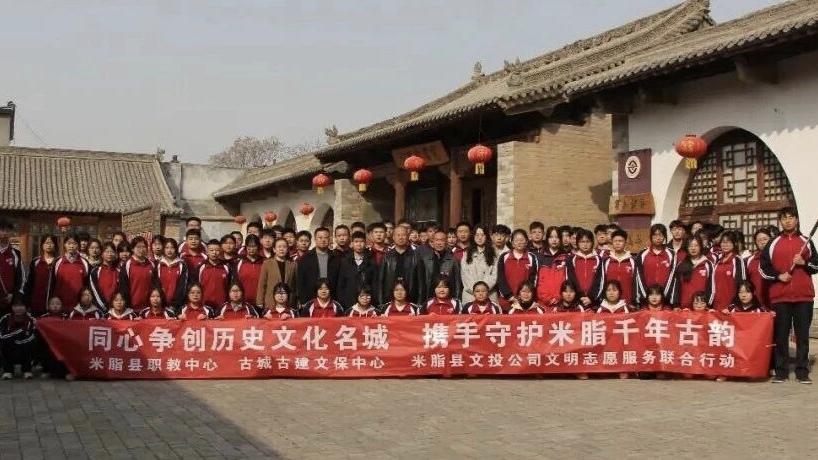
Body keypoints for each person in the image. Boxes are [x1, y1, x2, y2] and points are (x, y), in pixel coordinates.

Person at [760, 206, 818, 384]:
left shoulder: (806, 241)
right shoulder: (773, 243)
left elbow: (816, 265)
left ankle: (802, 371)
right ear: (780, 221)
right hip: (781, 297)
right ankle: (781, 372)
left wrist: (803, 263)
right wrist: (779, 276)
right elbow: (763, 268)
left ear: (796, 220)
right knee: (781, 336)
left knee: (802, 336)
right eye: (784, 218)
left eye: (791, 217)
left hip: (803, 297)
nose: (787, 221)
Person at [378, 226, 425, 305]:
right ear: (393, 237)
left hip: (411, 300)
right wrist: (381, 303)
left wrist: (419, 303)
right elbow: (381, 281)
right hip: (390, 300)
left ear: (408, 237)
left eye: (403, 235)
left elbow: (421, 282)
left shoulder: (416, 257)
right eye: (398, 235)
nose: (401, 237)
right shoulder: (387, 256)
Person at [669, 234, 714, 310]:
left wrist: (708, 305)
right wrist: (676, 305)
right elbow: (676, 287)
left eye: (696, 245)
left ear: (701, 247)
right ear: (687, 248)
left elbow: (711, 287)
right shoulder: (681, 265)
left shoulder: (708, 264)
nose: (693, 248)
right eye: (690, 246)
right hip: (684, 309)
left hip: (701, 308)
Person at [497, 229, 539, 312]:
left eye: (522, 240)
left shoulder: (532, 257)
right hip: (506, 301)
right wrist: (509, 296)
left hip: (525, 301)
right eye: (516, 240)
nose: (519, 242)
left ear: (526, 242)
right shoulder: (504, 256)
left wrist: (525, 295)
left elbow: (533, 279)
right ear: (512, 242)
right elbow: (500, 278)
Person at [297, 227, 340, 305]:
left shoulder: (335, 258)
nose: (323, 240)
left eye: (326, 237)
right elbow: (301, 281)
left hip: (332, 299)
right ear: (315, 239)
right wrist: (303, 300)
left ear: (329, 239)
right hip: (311, 299)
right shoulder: (306, 258)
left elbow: (339, 281)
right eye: (320, 237)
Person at [48, 233, 90, 313]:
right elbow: (51, 285)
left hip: (79, 308)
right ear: (64, 245)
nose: (71, 246)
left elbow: (87, 285)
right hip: (59, 307)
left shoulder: (84, 262)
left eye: (74, 243)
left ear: (78, 245)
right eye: (69, 243)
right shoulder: (57, 262)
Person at [601, 230, 645, 307]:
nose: (618, 243)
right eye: (615, 241)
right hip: (609, 304)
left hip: (628, 303)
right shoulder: (606, 261)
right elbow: (602, 282)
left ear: (625, 242)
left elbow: (637, 282)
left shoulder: (633, 261)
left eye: (620, 241)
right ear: (612, 242)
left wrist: (634, 300)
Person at [336, 231, 377, 309]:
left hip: (366, 301)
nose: (359, 244)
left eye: (361, 241)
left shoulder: (371, 261)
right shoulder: (345, 261)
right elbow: (341, 284)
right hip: (348, 302)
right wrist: (341, 301)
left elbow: (374, 284)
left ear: (365, 243)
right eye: (356, 241)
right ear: (352, 243)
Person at [0, 297, 36, 380]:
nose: (18, 308)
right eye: (15, 306)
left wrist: (16, 339)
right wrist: (20, 331)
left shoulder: (31, 319)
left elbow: (31, 336)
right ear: (11, 307)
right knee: (4, 345)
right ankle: (8, 370)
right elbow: (2, 336)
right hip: (9, 345)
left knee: (30, 345)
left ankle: (27, 369)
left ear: (26, 307)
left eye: (21, 306)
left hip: (25, 345)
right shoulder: (5, 319)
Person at [421, 230, 462, 302]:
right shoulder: (425, 260)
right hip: (429, 298)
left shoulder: (453, 260)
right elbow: (421, 283)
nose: (439, 243)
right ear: (432, 242)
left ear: (446, 242)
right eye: (436, 240)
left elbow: (457, 283)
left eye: (442, 240)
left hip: (448, 299)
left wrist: (457, 300)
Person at [460, 225, 498, 304]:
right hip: (470, 295)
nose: (479, 238)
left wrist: (483, 290)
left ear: (487, 236)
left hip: (489, 295)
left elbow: (494, 276)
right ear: (473, 236)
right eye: (477, 235)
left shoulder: (493, 254)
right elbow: (464, 275)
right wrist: (476, 291)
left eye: (482, 235)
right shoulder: (467, 254)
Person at [258, 237, 298, 310]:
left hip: (289, 303)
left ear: (287, 249)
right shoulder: (267, 264)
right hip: (271, 302)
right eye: (279, 247)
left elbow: (296, 285)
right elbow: (262, 284)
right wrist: (260, 301)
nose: (281, 249)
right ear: (274, 249)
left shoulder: (293, 265)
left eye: (284, 247)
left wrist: (298, 300)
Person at [638, 224, 676, 301]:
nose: (658, 238)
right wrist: (644, 296)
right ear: (651, 237)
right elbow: (638, 276)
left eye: (661, 235)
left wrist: (666, 295)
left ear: (664, 237)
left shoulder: (672, 254)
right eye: (655, 235)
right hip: (647, 297)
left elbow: (673, 277)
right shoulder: (643, 254)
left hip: (666, 298)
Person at [566, 229, 603, 309]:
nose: (585, 244)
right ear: (577, 243)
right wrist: (579, 296)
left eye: (588, 241)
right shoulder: (571, 259)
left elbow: (600, 280)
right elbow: (570, 279)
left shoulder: (599, 259)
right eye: (582, 242)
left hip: (594, 302)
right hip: (577, 301)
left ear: (592, 243)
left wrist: (591, 297)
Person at [711, 230, 747, 313]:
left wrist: (733, 306)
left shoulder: (737, 260)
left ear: (735, 244)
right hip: (716, 306)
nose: (725, 245)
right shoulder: (717, 260)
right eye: (723, 242)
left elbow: (742, 284)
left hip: (731, 307)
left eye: (728, 242)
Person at [23, 234, 58, 316]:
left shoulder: (58, 262)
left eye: (51, 243)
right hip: (37, 302)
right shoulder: (35, 262)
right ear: (42, 245)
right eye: (46, 243)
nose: (49, 245)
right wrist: (27, 302)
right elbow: (30, 283)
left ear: (55, 245)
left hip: (54, 304)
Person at [119, 236, 155, 313]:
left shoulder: (151, 264)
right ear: (132, 249)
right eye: (138, 247)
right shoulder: (127, 265)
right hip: (131, 309)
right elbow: (123, 288)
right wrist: (127, 307)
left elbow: (155, 286)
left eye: (143, 247)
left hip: (149, 309)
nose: (141, 249)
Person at [535, 226, 568, 308]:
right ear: (547, 239)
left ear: (560, 239)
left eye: (557, 237)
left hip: (561, 302)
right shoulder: (539, 257)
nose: (554, 240)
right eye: (551, 237)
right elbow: (537, 281)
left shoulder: (566, 257)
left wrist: (558, 297)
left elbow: (567, 281)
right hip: (542, 302)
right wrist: (547, 298)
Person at [37, 297, 69, 379]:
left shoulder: (66, 317)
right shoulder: (43, 317)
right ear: (48, 306)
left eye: (58, 304)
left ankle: (67, 371)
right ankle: (46, 370)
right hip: (48, 342)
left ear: (62, 306)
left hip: (62, 342)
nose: (55, 306)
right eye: (52, 304)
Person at [196, 239, 231, 309]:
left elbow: (229, 286)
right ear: (207, 252)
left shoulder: (226, 267)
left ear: (220, 251)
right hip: (204, 305)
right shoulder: (201, 267)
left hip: (222, 305)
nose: (214, 252)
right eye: (211, 250)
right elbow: (196, 286)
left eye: (217, 250)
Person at [156, 238, 187, 313]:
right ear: (163, 249)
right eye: (167, 248)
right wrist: (160, 302)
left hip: (176, 306)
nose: (169, 250)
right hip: (160, 305)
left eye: (172, 247)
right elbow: (156, 285)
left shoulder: (182, 265)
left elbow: (182, 286)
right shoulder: (158, 265)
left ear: (176, 249)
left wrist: (174, 305)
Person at [233, 234, 265, 308]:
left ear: (258, 247)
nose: (251, 249)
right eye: (249, 246)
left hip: (261, 303)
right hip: (243, 303)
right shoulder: (239, 263)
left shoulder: (264, 262)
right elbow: (235, 283)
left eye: (254, 246)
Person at [0, 219, 24, 316]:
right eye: (2, 230)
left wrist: (13, 294)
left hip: (8, 301)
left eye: (7, 230)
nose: (5, 233)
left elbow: (21, 278)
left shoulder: (15, 253)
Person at [745, 228, 772, 309]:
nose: (762, 242)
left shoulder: (776, 257)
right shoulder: (750, 260)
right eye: (759, 240)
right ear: (755, 243)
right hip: (756, 303)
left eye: (765, 239)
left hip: (774, 301)